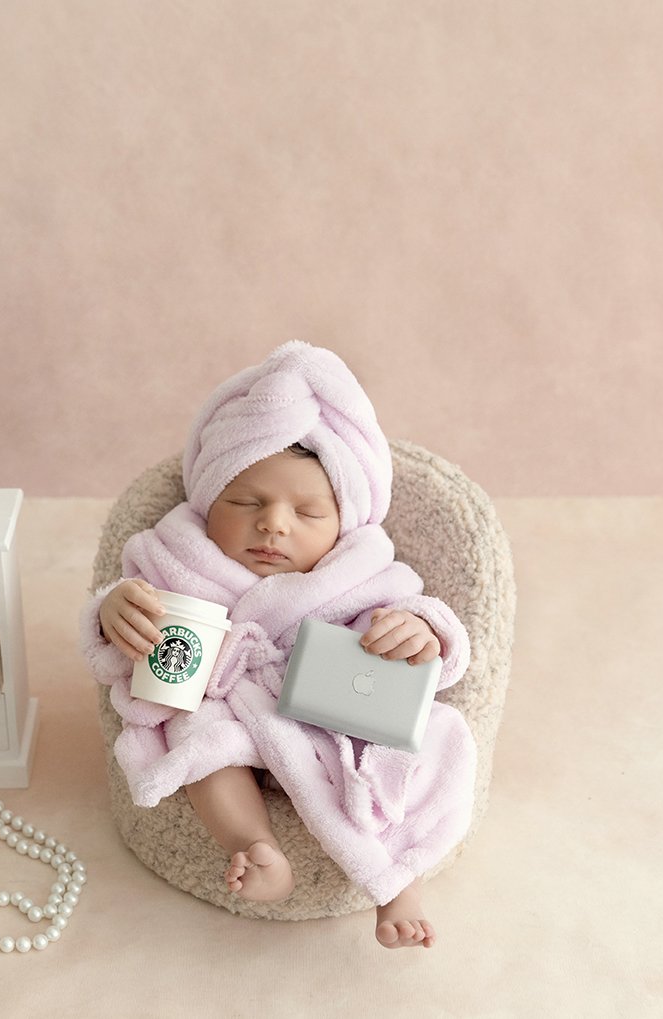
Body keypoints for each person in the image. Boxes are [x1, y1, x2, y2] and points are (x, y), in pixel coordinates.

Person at [80, 341, 477, 951]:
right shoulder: (172, 553)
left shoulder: (356, 567)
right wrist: (114, 615)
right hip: (225, 697)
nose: (274, 524)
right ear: (209, 501)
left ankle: (397, 881)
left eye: (308, 512)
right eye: (246, 503)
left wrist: (423, 631)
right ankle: (253, 844)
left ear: (344, 526)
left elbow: (409, 615)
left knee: (416, 745)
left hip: (331, 699)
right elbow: (124, 617)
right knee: (199, 743)